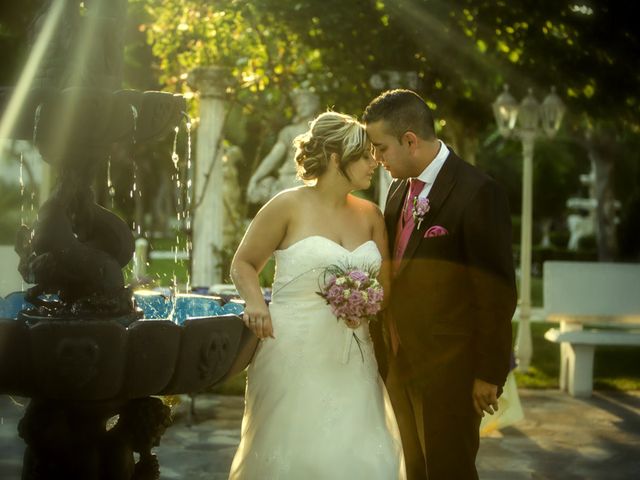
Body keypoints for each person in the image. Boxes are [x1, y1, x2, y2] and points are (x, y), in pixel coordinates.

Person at [229, 111, 405, 479]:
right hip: (292, 350)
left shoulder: (372, 215)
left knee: (361, 457)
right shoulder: (286, 205)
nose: (375, 162)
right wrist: (256, 303)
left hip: (353, 356)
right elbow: (244, 263)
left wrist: (368, 303)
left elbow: (386, 287)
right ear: (336, 158)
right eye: (364, 155)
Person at [363, 89, 517, 480]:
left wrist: (489, 373)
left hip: (452, 369)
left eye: (381, 148)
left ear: (410, 140)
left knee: (449, 469)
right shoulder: (399, 189)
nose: (376, 159)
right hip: (398, 360)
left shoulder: (478, 192)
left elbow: (497, 293)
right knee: (414, 467)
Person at [246, 89, 320, 205]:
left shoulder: (322, 133)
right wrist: (256, 177)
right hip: (289, 179)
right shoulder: (289, 132)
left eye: (305, 103)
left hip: (316, 180)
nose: (301, 107)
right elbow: (274, 156)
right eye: (299, 105)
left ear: (313, 105)